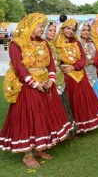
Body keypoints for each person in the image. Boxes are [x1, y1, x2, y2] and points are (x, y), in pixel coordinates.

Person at [0, 13, 73, 168]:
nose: (42, 29)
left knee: (44, 117)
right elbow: (19, 68)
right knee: (30, 118)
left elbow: (51, 64)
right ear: (31, 26)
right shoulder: (16, 44)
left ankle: (40, 148)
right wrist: (34, 84)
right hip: (28, 88)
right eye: (40, 26)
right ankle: (28, 155)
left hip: (46, 86)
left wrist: (51, 79)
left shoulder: (44, 43)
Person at [54, 19, 98, 134]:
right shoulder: (56, 43)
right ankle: (74, 126)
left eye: (72, 29)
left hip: (79, 74)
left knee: (84, 101)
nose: (70, 31)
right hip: (66, 77)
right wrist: (63, 68)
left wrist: (73, 67)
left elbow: (83, 58)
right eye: (68, 28)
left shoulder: (76, 42)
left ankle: (85, 125)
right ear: (63, 28)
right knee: (71, 102)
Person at [43, 20, 78, 139]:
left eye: (54, 30)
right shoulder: (42, 45)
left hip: (59, 78)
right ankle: (53, 134)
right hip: (48, 79)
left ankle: (67, 132)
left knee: (62, 105)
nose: (53, 33)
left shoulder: (52, 44)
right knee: (52, 107)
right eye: (50, 30)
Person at [77, 21, 98, 118]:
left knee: (97, 93)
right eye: (83, 30)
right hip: (81, 73)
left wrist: (90, 61)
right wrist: (84, 62)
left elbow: (96, 57)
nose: (86, 32)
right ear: (79, 30)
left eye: (88, 30)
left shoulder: (91, 43)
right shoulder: (76, 43)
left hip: (92, 72)